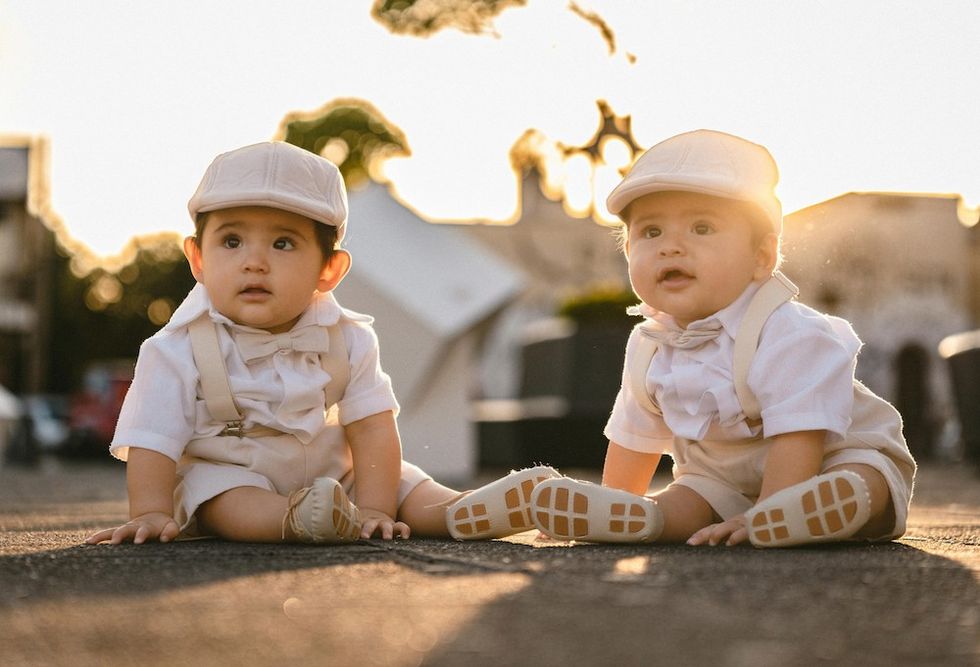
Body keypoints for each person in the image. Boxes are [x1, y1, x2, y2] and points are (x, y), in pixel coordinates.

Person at [86, 141, 558, 546]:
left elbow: (372, 428)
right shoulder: (176, 348)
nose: (254, 262)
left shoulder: (349, 337)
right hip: (235, 476)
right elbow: (153, 440)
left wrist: (375, 507)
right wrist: (149, 512)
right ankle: (292, 520)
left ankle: (469, 509)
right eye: (231, 242)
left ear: (328, 270)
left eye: (283, 244)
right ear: (197, 258)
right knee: (225, 499)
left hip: (336, 477)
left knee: (406, 485)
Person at [529, 129, 916, 548]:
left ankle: (811, 512)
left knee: (861, 479)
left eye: (701, 227)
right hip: (722, 478)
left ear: (761, 258)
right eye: (651, 232)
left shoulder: (792, 333)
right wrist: (614, 500)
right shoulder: (650, 345)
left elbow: (799, 436)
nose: (671, 247)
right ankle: (643, 519)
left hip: (829, 457)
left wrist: (766, 514)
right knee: (687, 497)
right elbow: (633, 438)